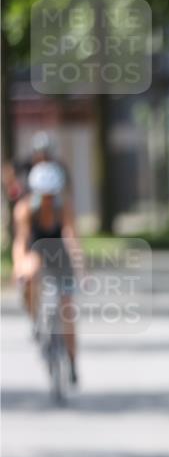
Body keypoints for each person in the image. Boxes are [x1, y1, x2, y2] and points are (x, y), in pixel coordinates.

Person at [12, 161, 81, 385]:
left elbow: (71, 237)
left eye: (52, 195)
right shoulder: (25, 210)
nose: (48, 200)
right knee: (29, 274)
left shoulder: (64, 208)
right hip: (36, 253)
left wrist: (81, 265)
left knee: (67, 310)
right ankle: (35, 319)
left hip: (60, 256)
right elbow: (21, 242)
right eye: (44, 195)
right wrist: (18, 266)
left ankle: (71, 361)